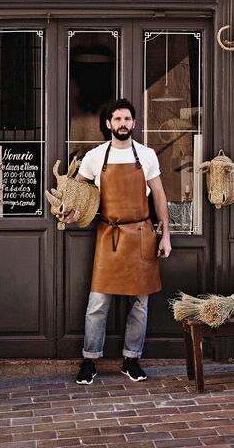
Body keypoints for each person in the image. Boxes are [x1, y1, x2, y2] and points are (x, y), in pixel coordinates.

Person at [64, 98, 172, 384]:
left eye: (127, 119)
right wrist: (72, 214)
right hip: (108, 234)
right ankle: (89, 360)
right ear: (108, 124)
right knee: (98, 302)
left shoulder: (147, 155)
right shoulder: (95, 157)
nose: (123, 124)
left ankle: (131, 359)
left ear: (133, 123)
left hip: (141, 235)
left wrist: (166, 235)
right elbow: (80, 194)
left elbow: (159, 195)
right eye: (117, 119)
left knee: (140, 303)